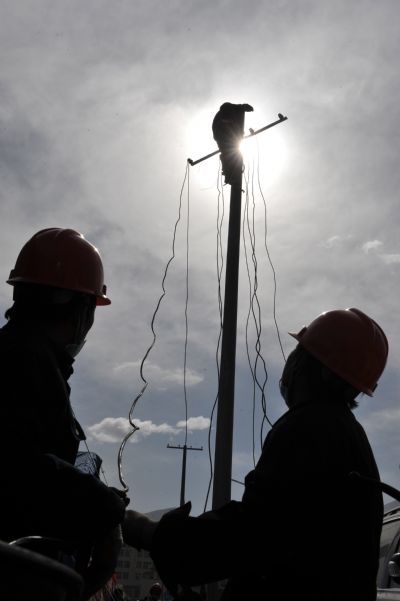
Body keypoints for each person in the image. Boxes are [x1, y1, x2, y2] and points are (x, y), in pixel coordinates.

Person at [123, 308, 388, 601]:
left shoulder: (309, 428)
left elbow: (249, 535)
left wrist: (153, 533)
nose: (290, 363)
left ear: (318, 369)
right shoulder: (348, 437)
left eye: (300, 352)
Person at [0, 228, 128, 600]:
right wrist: (101, 504)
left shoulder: (27, 357)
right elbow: (14, 464)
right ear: (77, 308)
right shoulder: (25, 360)